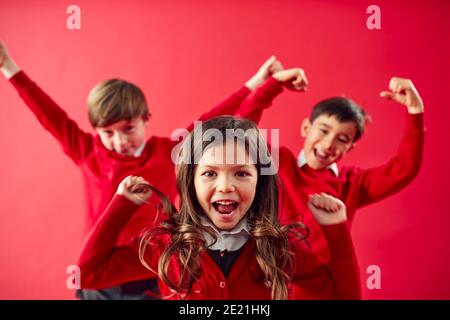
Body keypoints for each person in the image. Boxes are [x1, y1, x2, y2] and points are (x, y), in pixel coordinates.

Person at [0, 40, 283, 299]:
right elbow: (50, 115)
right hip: (101, 277)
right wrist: (8, 67)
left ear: (145, 119)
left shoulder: (168, 152)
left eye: (128, 129)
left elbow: (212, 121)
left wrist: (257, 82)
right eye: (107, 133)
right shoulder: (88, 152)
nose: (119, 141)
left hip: (150, 271)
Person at [77, 116, 361, 300]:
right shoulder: (168, 246)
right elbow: (88, 275)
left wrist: (336, 228)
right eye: (210, 173)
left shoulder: (279, 247)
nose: (226, 186)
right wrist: (121, 205)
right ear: (190, 183)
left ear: (260, 182)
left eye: (241, 173)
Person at [236, 67, 425, 263]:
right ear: (306, 128)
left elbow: (404, 169)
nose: (328, 144)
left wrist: (415, 111)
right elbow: (240, 133)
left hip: (324, 287)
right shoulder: (278, 163)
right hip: (273, 280)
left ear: (350, 147)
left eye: (342, 139)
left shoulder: (352, 184)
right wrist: (274, 84)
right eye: (323, 131)